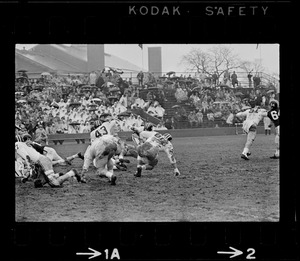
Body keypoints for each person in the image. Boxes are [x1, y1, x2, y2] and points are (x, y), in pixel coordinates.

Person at [15, 138, 82, 187]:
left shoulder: (17, 145)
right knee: (38, 184)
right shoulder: (22, 144)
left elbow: (27, 157)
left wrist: (29, 167)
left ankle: (72, 172)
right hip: (41, 161)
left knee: (55, 184)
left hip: (42, 161)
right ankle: (57, 175)